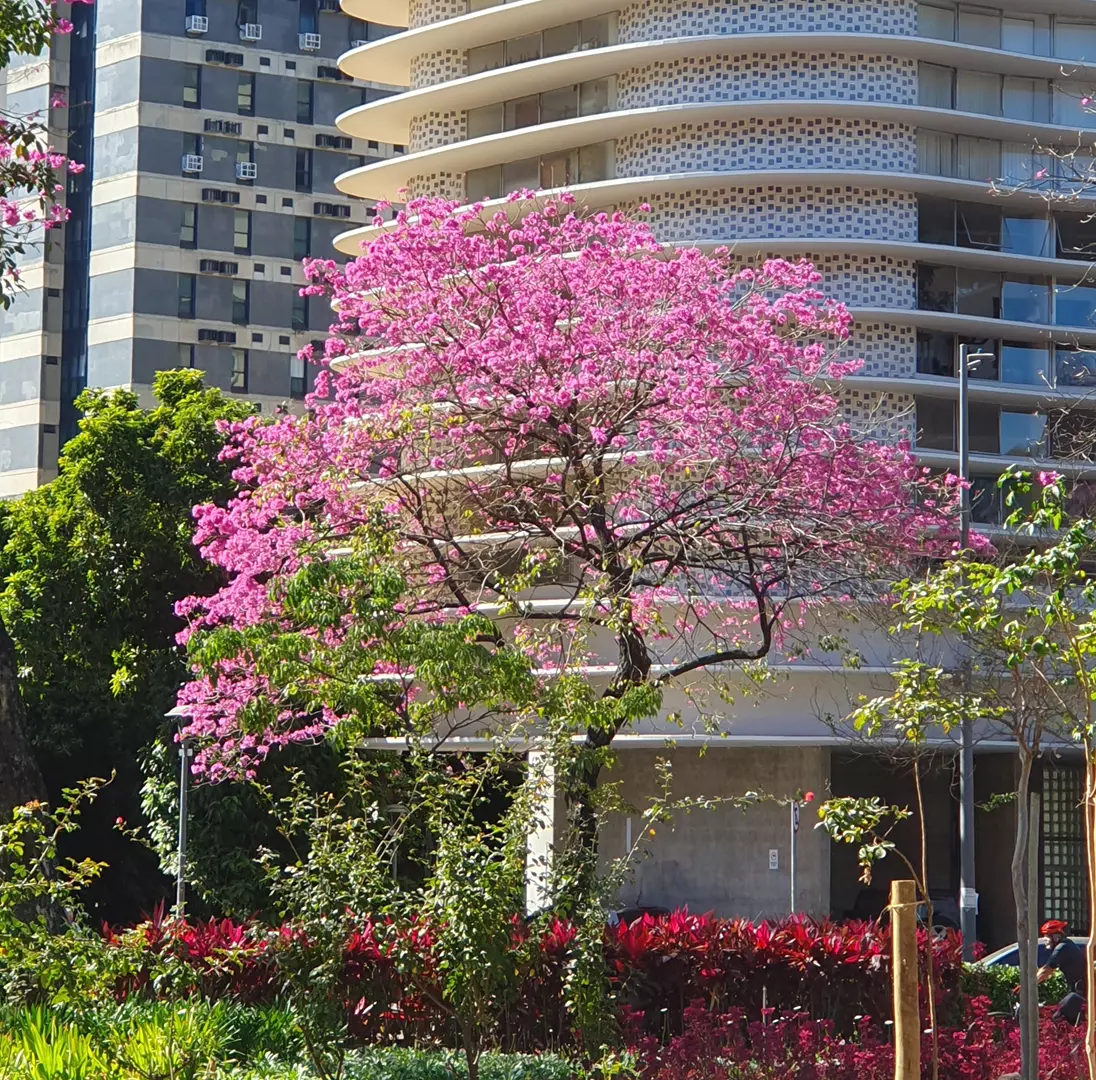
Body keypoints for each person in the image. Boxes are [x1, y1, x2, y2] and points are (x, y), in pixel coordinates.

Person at [1037, 919, 1088, 1024]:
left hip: (1078, 996)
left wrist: (1027, 986)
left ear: (1056, 937)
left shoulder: (1062, 947)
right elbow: (1044, 969)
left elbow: (1046, 970)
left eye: (1047, 936)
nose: (1044, 940)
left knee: (1056, 1021)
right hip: (1076, 993)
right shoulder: (1066, 945)